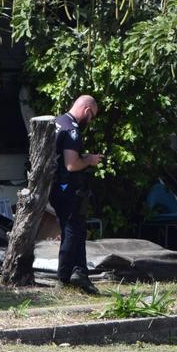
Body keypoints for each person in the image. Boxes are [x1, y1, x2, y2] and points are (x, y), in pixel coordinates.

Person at [49, 95, 104, 294]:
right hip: (67, 188)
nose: (90, 122)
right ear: (87, 110)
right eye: (92, 117)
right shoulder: (72, 130)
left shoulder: (57, 122)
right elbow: (71, 164)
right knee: (72, 231)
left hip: (54, 187)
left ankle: (80, 274)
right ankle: (63, 278)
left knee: (78, 230)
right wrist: (89, 160)